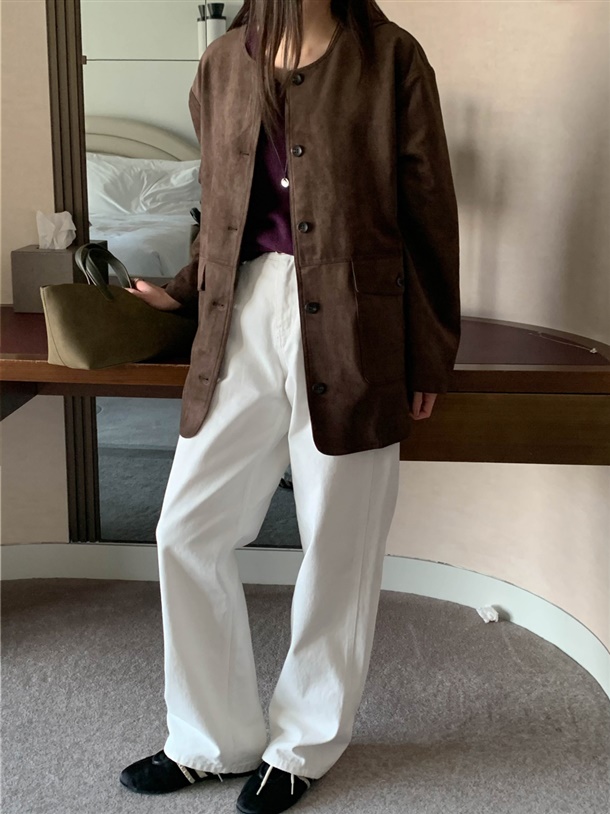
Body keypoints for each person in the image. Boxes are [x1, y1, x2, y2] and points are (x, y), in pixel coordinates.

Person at [120, 1, 460, 812]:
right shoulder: (222, 63)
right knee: (186, 530)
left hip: (355, 322)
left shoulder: (391, 58)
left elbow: (429, 212)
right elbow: (217, 204)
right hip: (240, 313)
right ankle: (211, 739)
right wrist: (181, 290)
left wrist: (429, 348)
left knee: (340, 540)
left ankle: (305, 744)